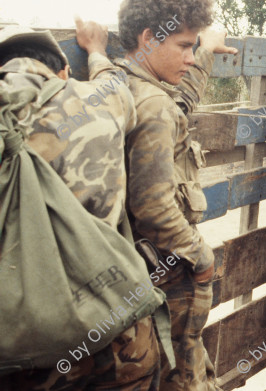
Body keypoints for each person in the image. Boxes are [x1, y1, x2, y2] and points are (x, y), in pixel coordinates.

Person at [0, 23, 161, 390]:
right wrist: (95, 50)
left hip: (20, 351)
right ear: (63, 71)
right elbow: (115, 82)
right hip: (116, 331)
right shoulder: (102, 98)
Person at [116, 0, 237, 389]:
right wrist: (201, 257)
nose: (189, 57)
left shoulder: (126, 84)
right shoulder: (153, 106)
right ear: (149, 38)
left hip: (139, 265)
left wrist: (202, 51)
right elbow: (152, 207)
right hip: (168, 264)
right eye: (184, 46)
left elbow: (180, 102)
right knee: (184, 371)